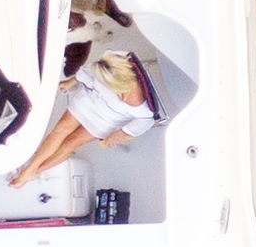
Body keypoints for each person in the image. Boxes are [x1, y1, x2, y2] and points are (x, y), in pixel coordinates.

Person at [8, 46, 158, 188]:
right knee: (61, 129)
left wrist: (121, 133)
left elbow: (145, 122)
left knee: (70, 143)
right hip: (91, 99)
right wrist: (71, 82)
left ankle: (36, 170)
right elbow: (93, 69)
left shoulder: (143, 107)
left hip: (108, 118)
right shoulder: (116, 60)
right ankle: (30, 169)